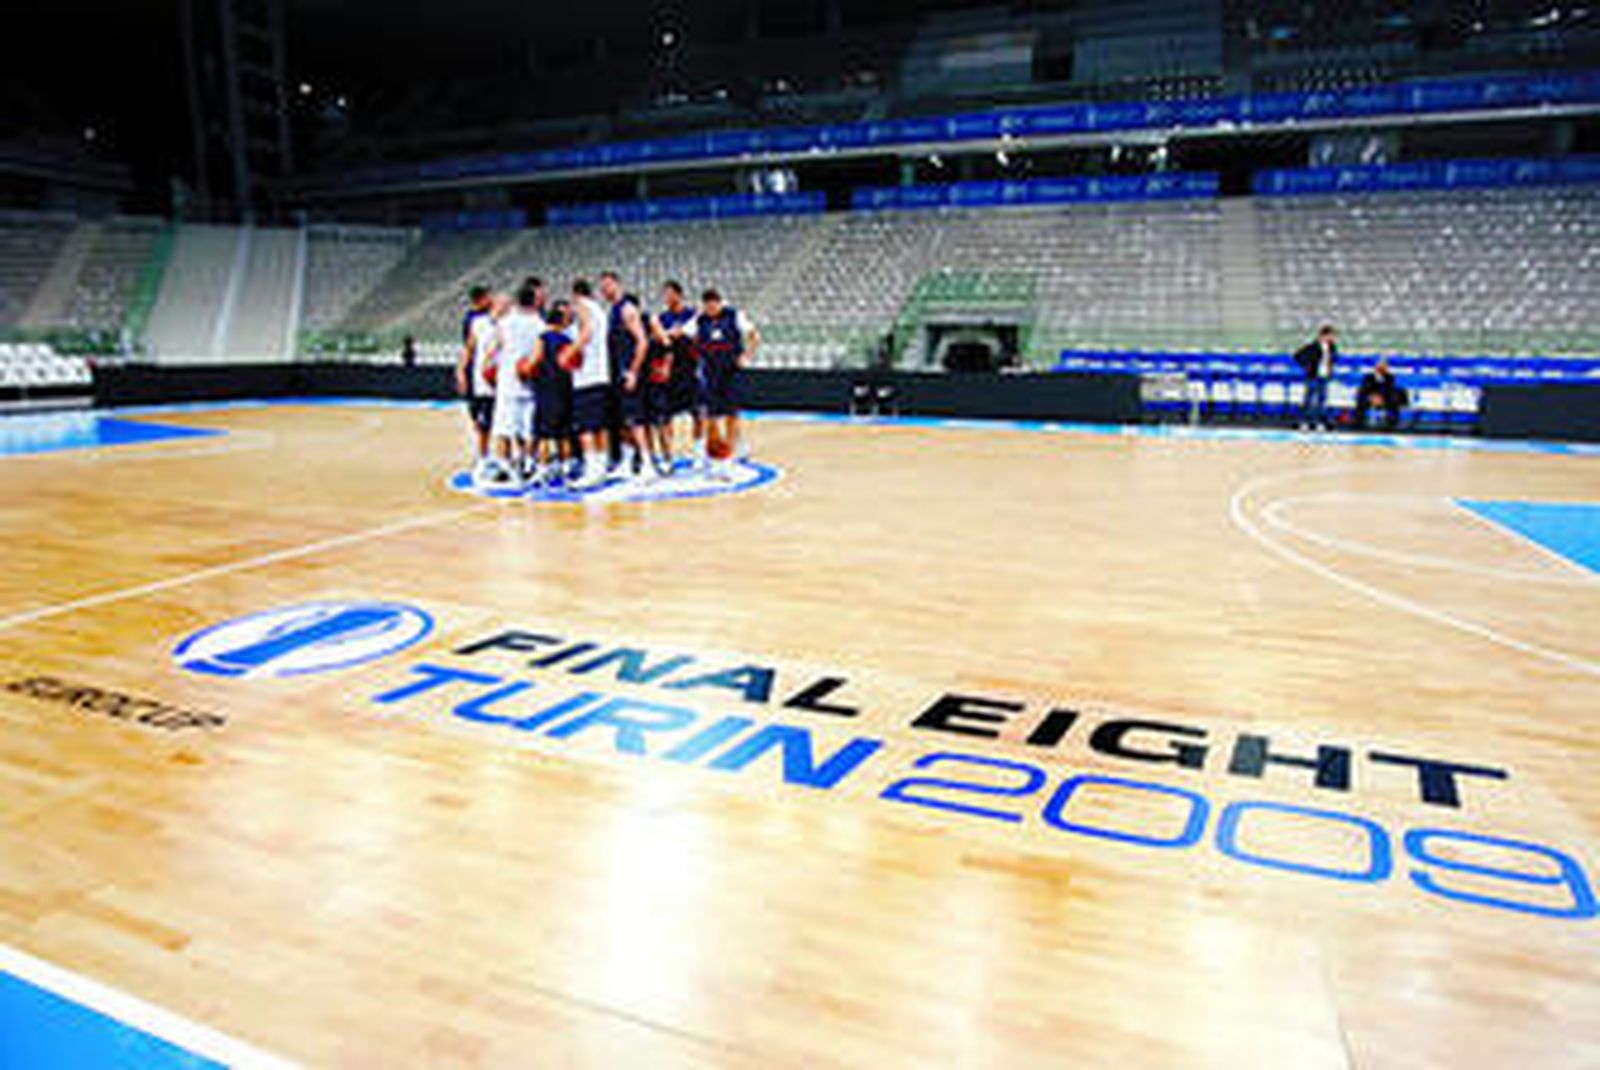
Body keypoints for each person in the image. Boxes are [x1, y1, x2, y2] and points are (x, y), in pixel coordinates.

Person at [681, 288, 759, 479]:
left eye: (713, 304)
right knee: (711, 417)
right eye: (707, 304)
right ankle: (716, 457)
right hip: (710, 373)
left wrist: (747, 356)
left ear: (719, 302)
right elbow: (683, 335)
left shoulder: (734, 316)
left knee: (732, 414)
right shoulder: (699, 320)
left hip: (730, 372)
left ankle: (729, 457)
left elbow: (754, 334)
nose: (710, 308)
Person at [599, 270, 655, 479]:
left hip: (629, 372)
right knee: (623, 420)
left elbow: (642, 341)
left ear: (617, 284)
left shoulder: (627, 309)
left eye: (608, 285)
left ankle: (648, 463)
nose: (605, 290)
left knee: (636, 420)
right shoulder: (612, 310)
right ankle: (626, 461)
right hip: (616, 372)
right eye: (602, 287)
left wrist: (633, 371)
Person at [489, 283, 544, 483]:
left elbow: (495, 348)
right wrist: (529, 367)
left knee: (503, 427)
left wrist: (488, 368)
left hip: (508, 380)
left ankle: (504, 465)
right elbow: (540, 351)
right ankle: (528, 463)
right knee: (528, 427)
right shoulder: (539, 324)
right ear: (534, 301)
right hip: (530, 381)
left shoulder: (505, 322)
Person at [525, 300, 580, 489]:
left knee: (544, 435)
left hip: (546, 389)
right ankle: (566, 470)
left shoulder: (543, 338)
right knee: (564, 434)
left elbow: (534, 360)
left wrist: (524, 369)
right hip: (565, 389)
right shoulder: (568, 341)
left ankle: (542, 471)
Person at [568, 279, 612, 489]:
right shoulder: (600, 310)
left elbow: (586, 333)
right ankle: (601, 466)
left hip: (586, 376)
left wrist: (569, 351)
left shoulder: (583, 307)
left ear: (575, 295)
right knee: (600, 425)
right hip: (601, 374)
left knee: (586, 426)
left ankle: (592, 469)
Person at [653, 280, 701, 471]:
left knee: (698, 415)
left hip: (690, 371)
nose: (666, 298)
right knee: (665, 418)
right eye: (664, 294)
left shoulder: (692, 315)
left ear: (679, 295)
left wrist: (678, 334)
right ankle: (667, 457)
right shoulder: (661, 318)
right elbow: (660, 338)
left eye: (669, 294)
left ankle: (698, 454)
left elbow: (695, 336)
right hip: (668, 374)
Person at [455, 285, 498, 477]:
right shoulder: (474, 321)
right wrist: (462, 371)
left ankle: (490, 454)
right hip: (479, 374)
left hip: (487, 372)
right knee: (480, 418)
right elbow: (469, 348)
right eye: (490, 297)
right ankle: (483, 455)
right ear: (481, 299)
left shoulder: (488, 319)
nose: (492, 300)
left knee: (490, 417)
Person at [1293, 325, 1338, 431]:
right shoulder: (1313, 346)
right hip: (1313, 376)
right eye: (1330, 335)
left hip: (1324, 375)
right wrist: (1306, 366)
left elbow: (1334, 358)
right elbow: (1297, 355)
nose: (1331, 338)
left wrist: (1330, 367)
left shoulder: (1332, 347)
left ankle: (1318, 422)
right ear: (1323, 335)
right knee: (1308, 399)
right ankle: (1304, 422)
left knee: (1321, 400)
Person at [1353, 359, 1408, 430]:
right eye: (1380, 367)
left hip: (1384, 398)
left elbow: (1389, 389)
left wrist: (1380, 397)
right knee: (1361, 400)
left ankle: (1392, 423)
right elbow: (1364, 388)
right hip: (1370, 398)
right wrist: (1372, 397)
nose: (1381, 368)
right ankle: (1358, 423)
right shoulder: (1368, 377)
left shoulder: (1390, 377)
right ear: (1376, 368)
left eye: (1384, 367)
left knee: (1394, 400)